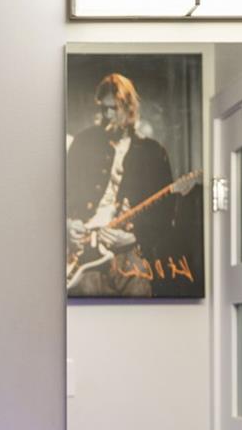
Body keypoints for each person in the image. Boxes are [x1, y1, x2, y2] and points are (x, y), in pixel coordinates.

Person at [65, 73, 201, 298]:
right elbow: (59, 195)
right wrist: (68, 225)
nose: (107, 115)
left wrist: (135, 237)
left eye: (114, 109)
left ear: (129, 109)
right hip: (83, 250)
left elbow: (164, 216)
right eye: (103, 108)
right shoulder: (83, 143)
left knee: (140, 302)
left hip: (129, 253)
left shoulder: (153, 153)